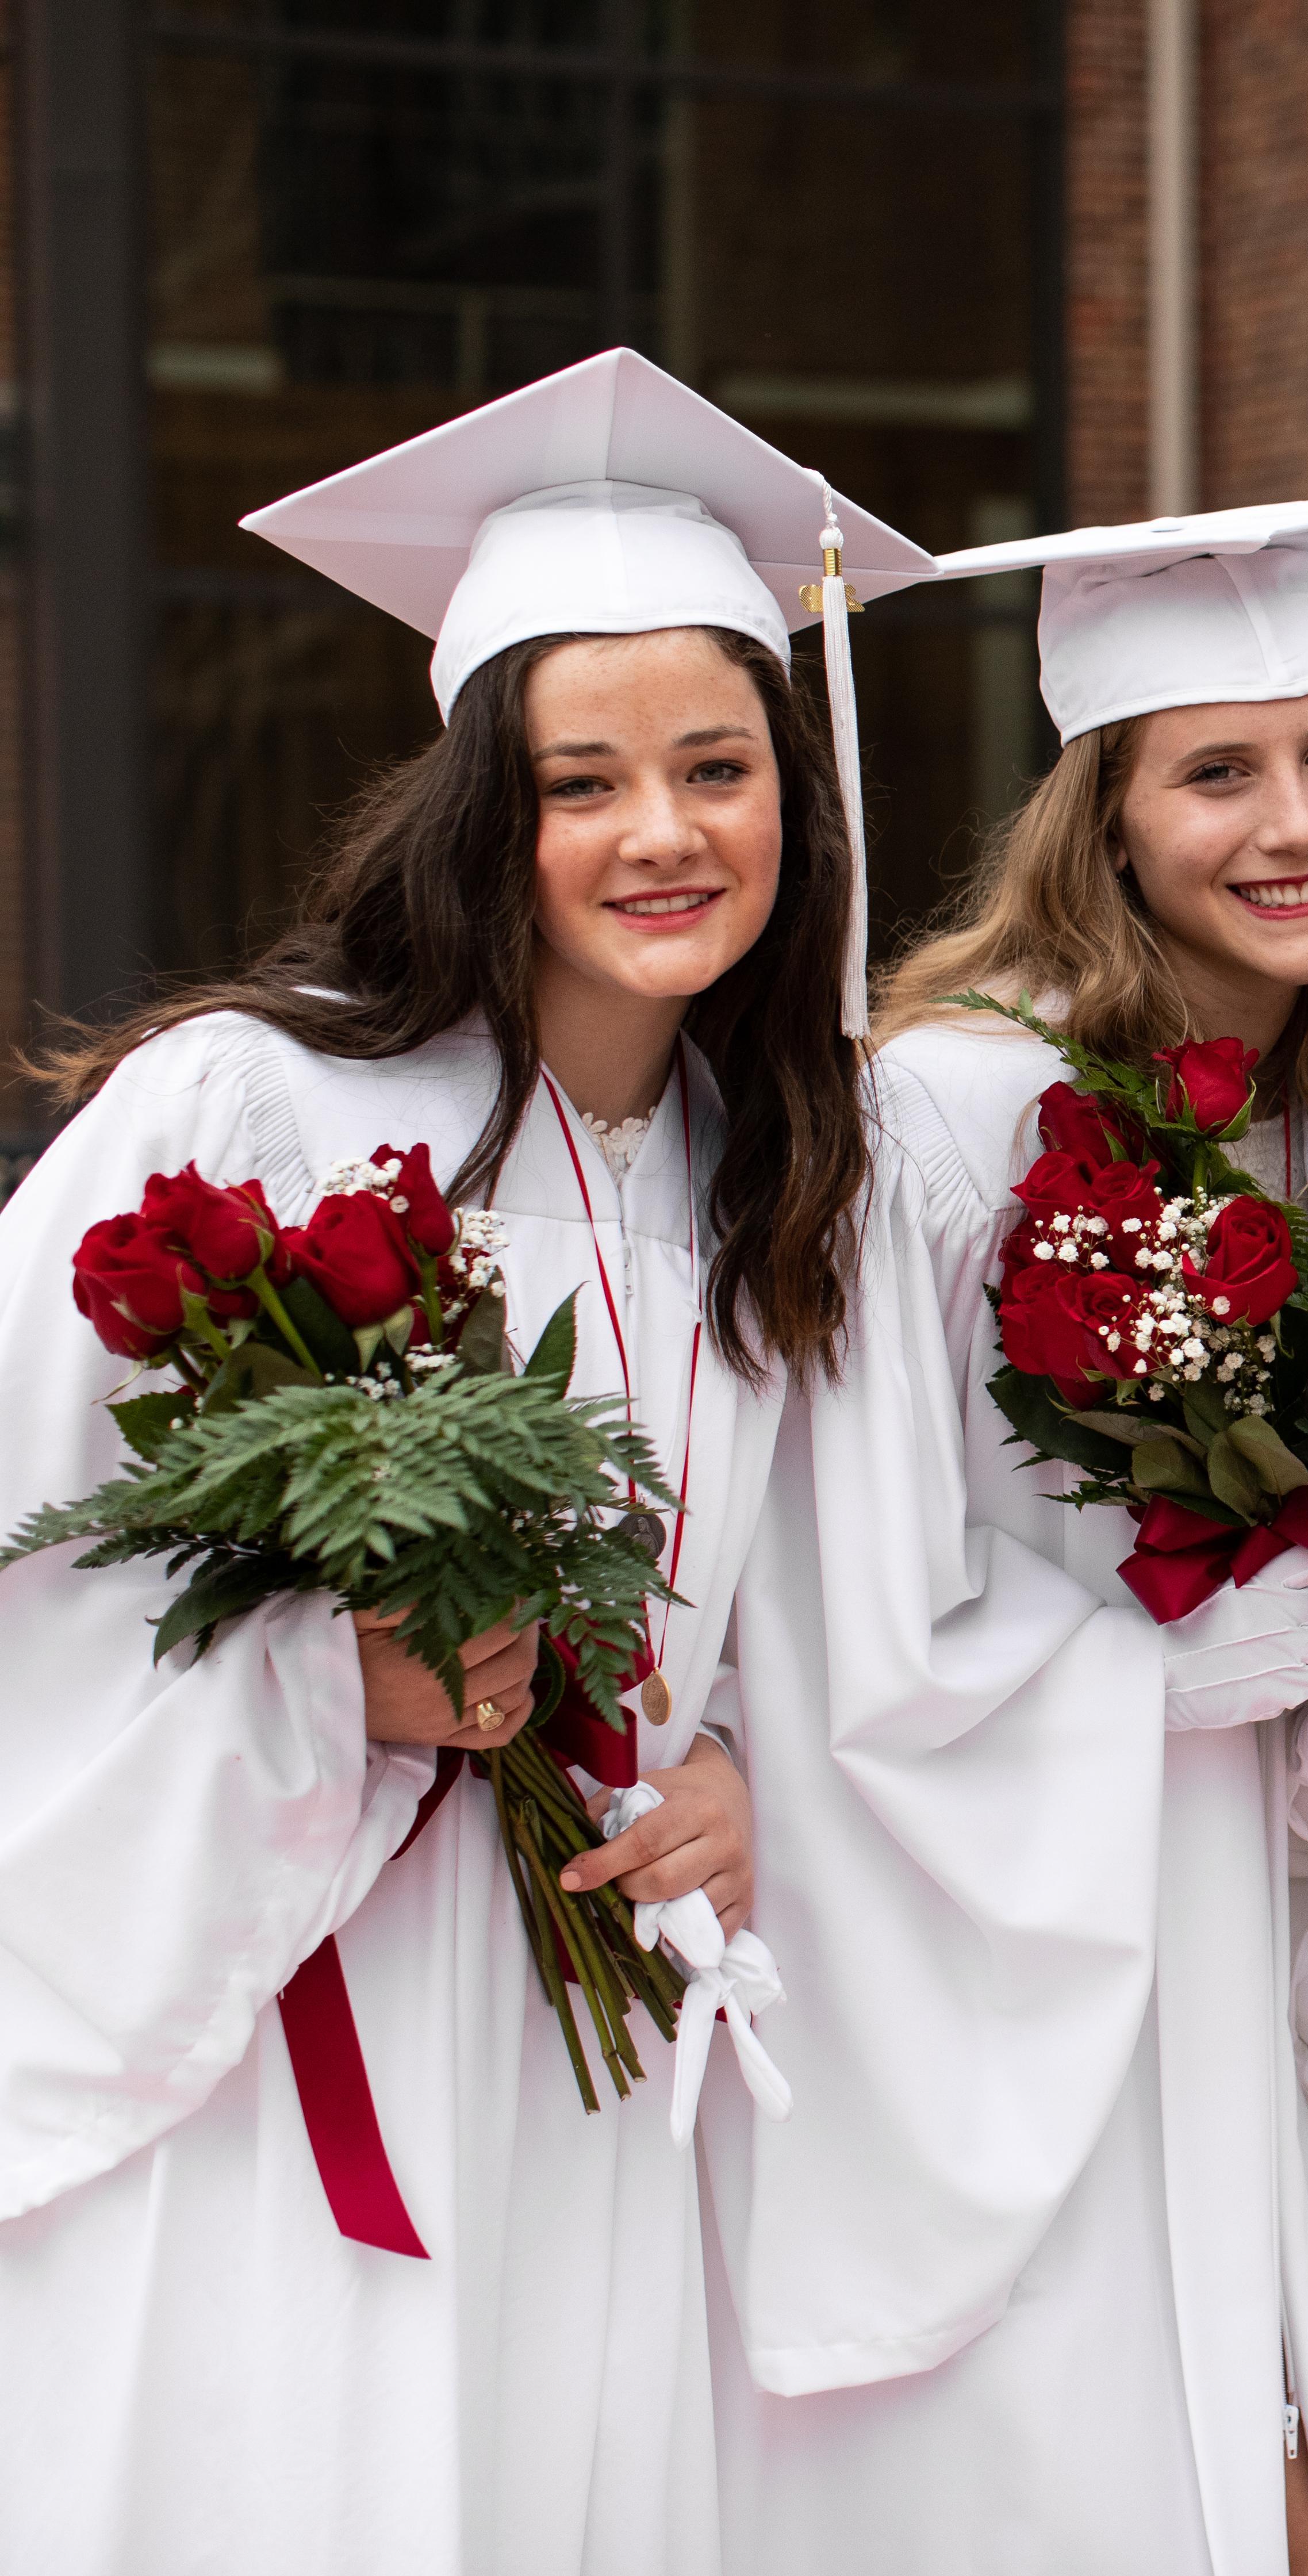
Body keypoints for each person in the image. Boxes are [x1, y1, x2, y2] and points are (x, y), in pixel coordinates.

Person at [0, 350, 907, 2570]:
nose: (662, 833)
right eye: (584, 781)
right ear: (485, 813)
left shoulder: (765, 1162)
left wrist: (731, 1764)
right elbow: (36, 1539)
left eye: (716, 767)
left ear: (794, 802)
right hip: (296, 1991)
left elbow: (767, 1589)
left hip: (593, 2014)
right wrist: (330, 1685)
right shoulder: (256, 1106)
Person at [707, 498, 1308, 2575]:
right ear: (1109, 824)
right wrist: (1184, 1670)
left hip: (1235, 1912)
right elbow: (833, 1599)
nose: (1298, 822)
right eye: (1218, 771)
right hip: (1018, 1938)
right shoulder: (957, 1111)